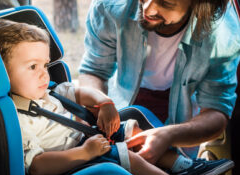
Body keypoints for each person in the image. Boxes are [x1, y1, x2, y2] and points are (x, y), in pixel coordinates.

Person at [0, 19, 235, 175]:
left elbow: (81, 93)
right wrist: (84, 153)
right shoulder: (16, 120)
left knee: (131, 127)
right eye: (32, 67)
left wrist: (105, 104)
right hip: (67, 166)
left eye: (44, 64)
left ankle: (184, 168)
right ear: (0, 74)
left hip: (84, 143)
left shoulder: (48, 91)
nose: (44, 73)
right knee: (123, 156)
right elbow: (38, 166)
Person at [78, 0, 240, 163]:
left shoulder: (223, 34)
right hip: (120, 100)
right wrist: (94, 106)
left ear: (199, 5)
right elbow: (94, 70)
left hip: (183, 114)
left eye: (166, 3)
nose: (147, 8)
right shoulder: (110, 5)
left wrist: (170, 136)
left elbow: (216, 110)